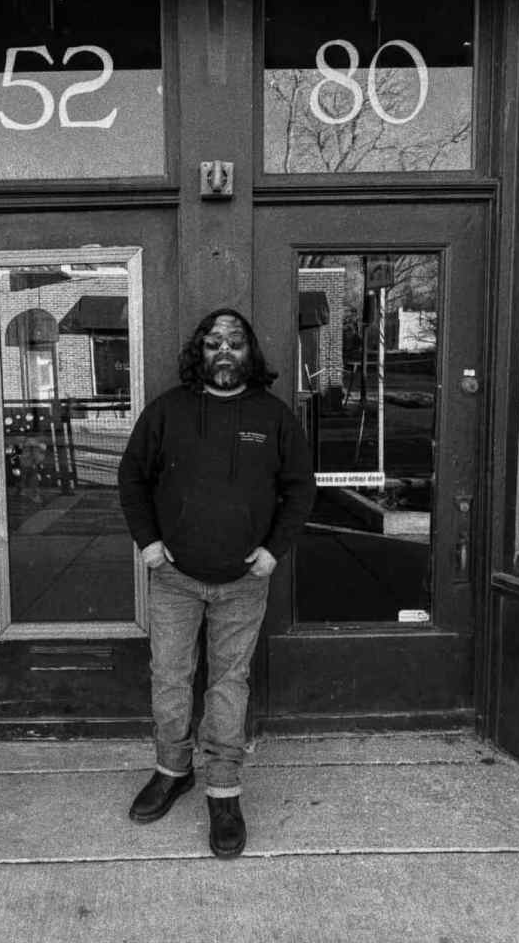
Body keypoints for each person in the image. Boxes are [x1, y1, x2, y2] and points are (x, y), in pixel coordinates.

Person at [117, 307, 316, 858]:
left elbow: (300, 490)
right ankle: (172, 770)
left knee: (229, 684)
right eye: (212, 343)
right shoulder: (167, 412)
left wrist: (273, 551)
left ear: (250, 352)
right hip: (175, 578)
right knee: (170, 678)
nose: (223, 351)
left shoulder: (274, 417)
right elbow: (131, 478)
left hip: (243, 581)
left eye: (234, 342)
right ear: (198, 353)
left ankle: (223, 791)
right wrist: (149, 544)